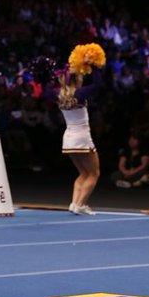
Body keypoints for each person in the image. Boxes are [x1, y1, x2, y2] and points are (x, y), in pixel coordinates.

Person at [55, 68, 102, 214]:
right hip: (81, 137)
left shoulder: (59, 94)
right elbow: (98, 85)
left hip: (68, 139)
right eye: (81, 77)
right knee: (94, 173)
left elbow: (44, 91)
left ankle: (74, 204)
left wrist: (43, 77)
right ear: (77, 79)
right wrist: (96, 68)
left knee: (83, 173)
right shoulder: (79, 93)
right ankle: (80, 204)